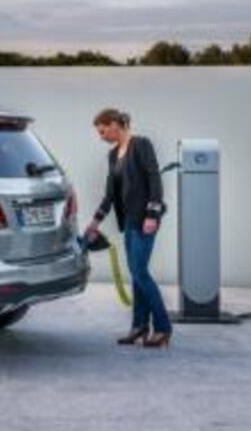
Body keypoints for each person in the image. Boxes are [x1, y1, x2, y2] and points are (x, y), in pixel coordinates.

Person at [84, 108, 172, 348]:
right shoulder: (113, 155)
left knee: (140, 272)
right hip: (130, 222)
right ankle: (139, 326)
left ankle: (163, 328)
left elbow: (154, 179)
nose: (101, 137)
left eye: (103, 131)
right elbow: (110, 194)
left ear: (114, 124)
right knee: (135, 273)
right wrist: (95, 221)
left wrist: (152, 213)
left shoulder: (141, 144)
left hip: (145, 219)